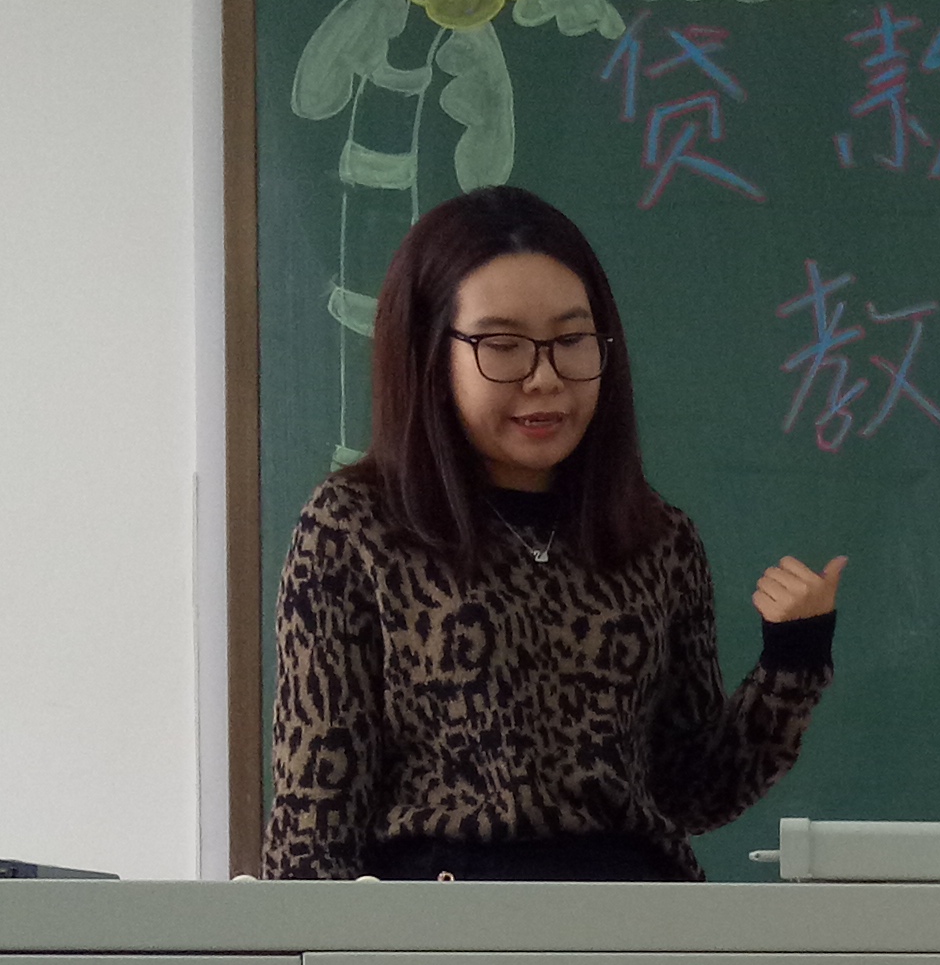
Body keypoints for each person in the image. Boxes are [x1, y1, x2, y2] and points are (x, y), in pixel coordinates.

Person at [264, 187, 844, 881]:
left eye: (571, 341)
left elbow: (692, 791)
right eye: (502, 346)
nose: (545, 378)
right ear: (429, 354)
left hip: (636, 919)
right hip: (440, 921)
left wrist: (793, 661)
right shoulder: (354, 527)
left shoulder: (658, 538)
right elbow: (312, 825)